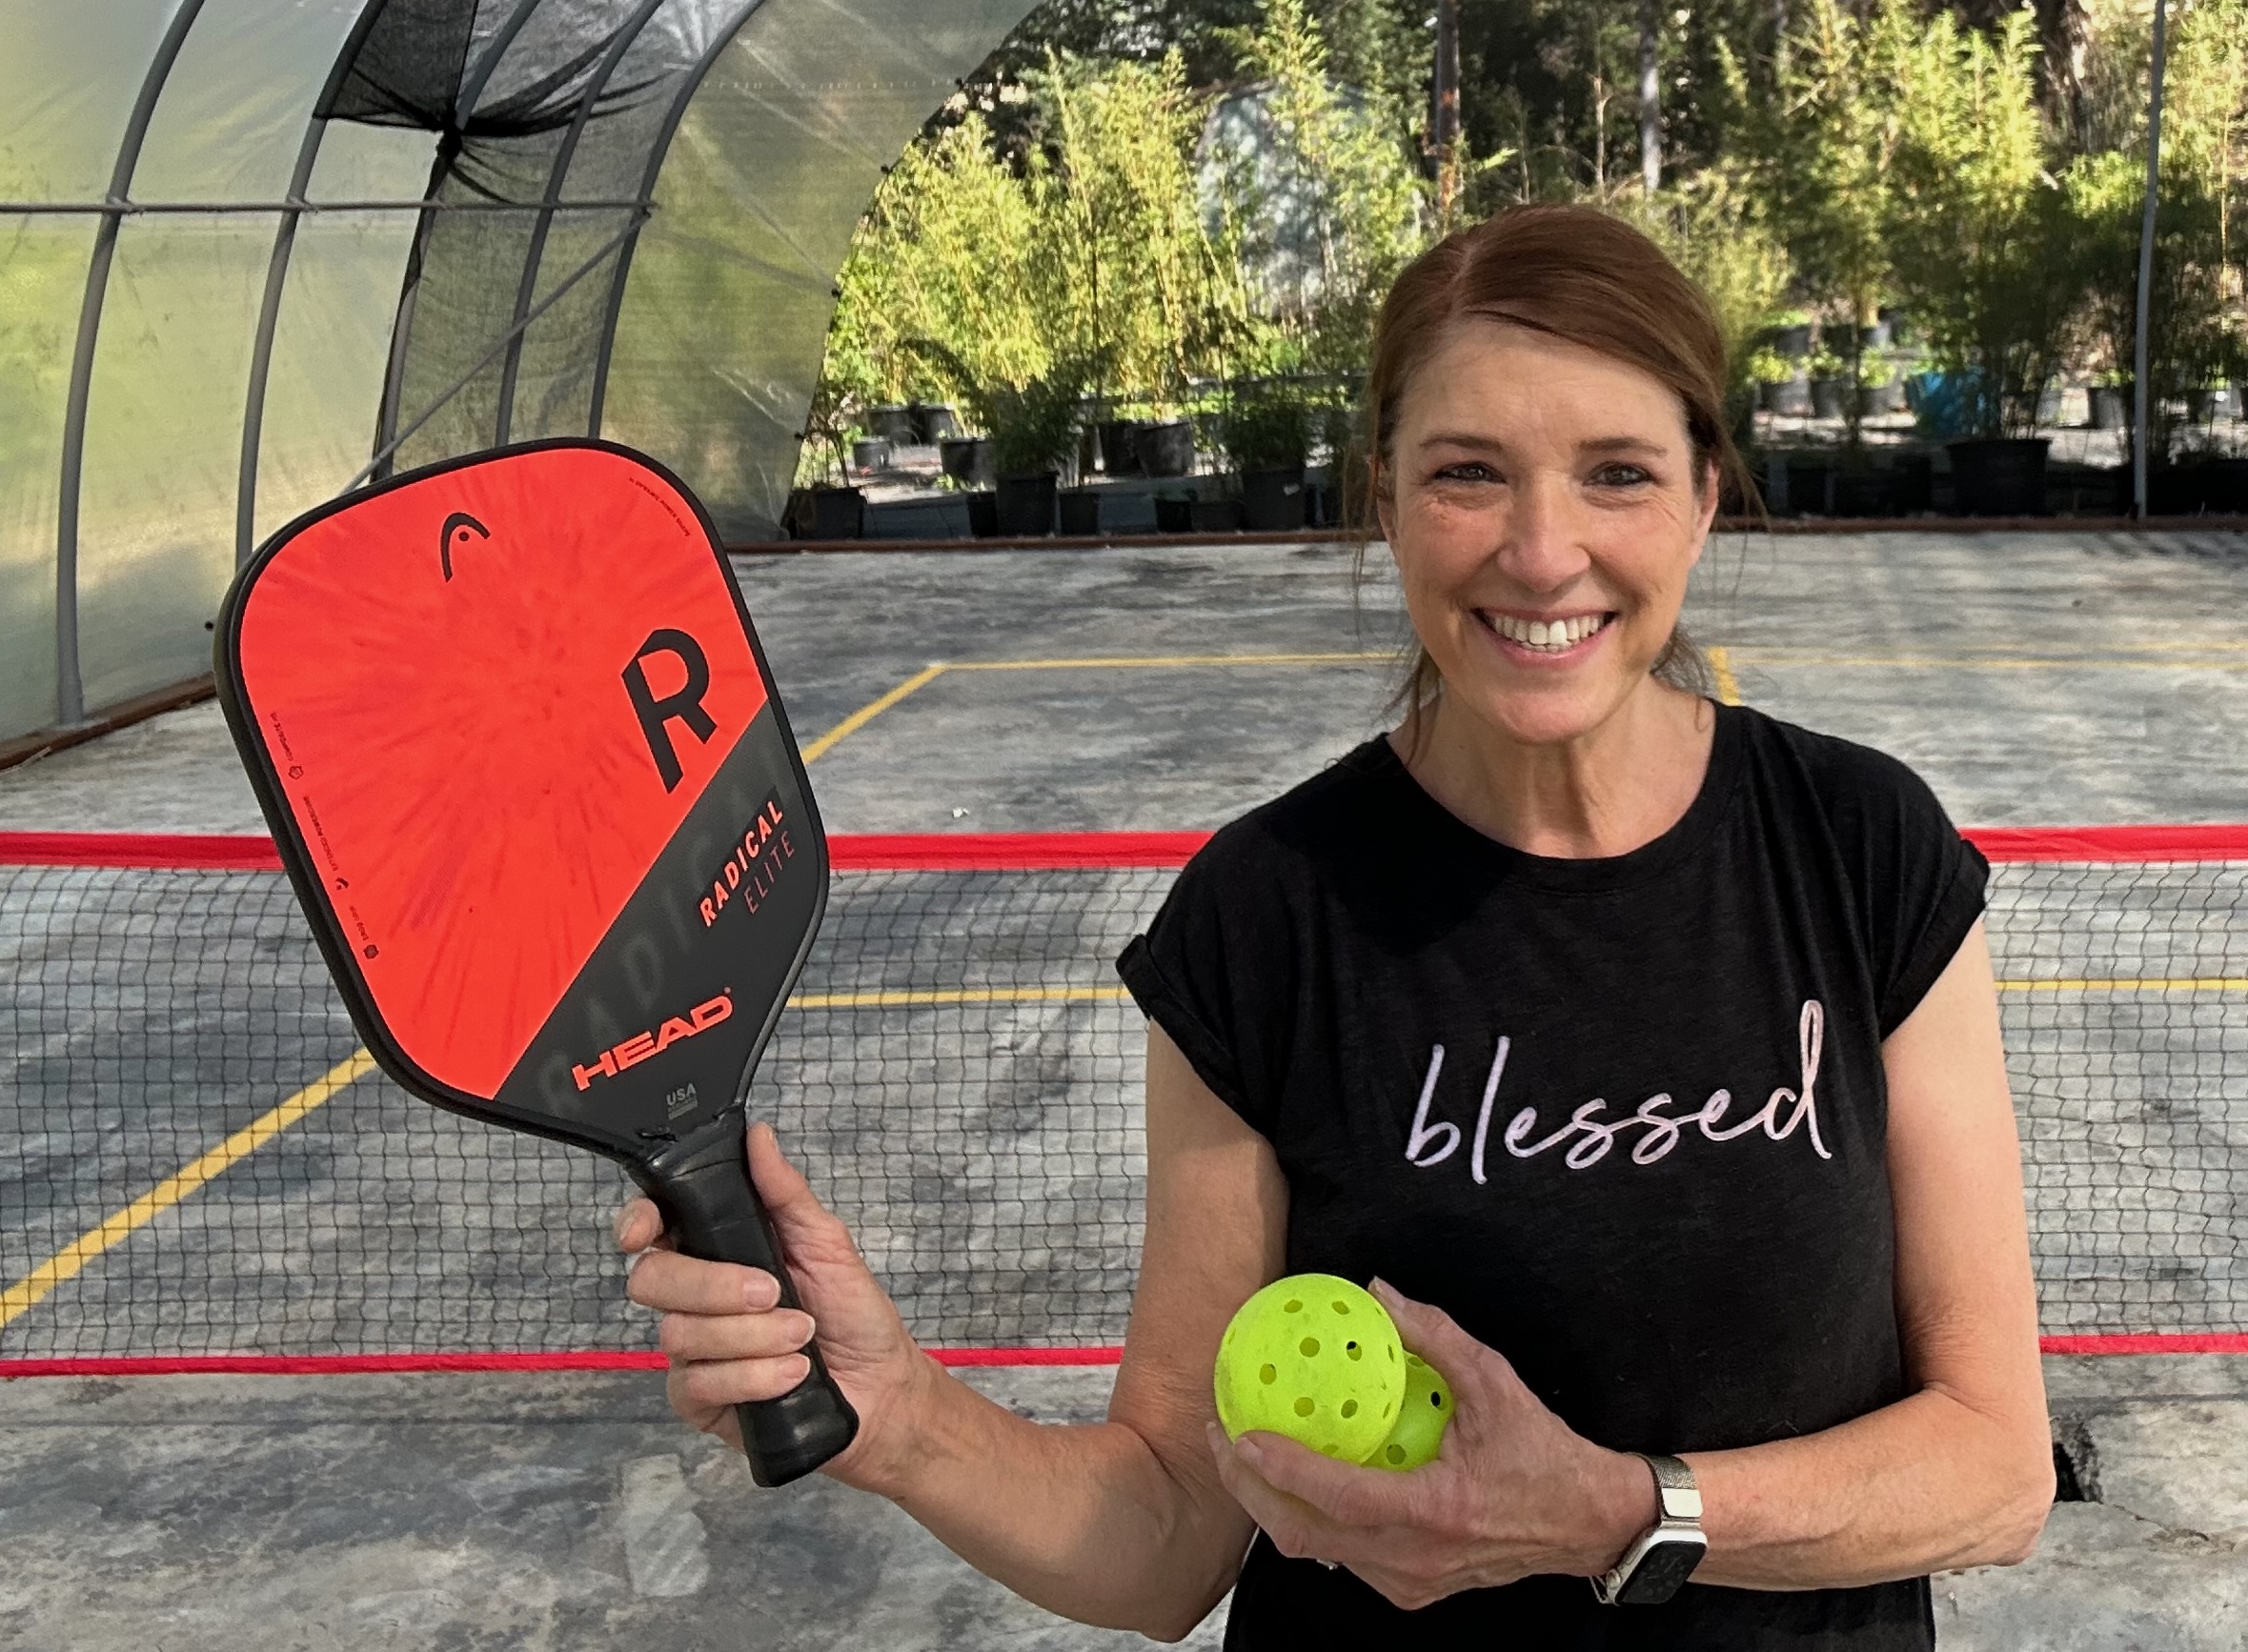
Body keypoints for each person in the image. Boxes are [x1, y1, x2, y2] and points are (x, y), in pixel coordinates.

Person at [618, 204, 2053, 1643]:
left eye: (1615, 471)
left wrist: (1617, 1509)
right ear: (1383, 495)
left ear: (1700, 494)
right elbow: (1171, 1530)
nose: (1542, 551)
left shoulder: (1859, 849)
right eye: (1467, 473)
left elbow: (1991, 1471)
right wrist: (903, 1419)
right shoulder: (1266, 916)